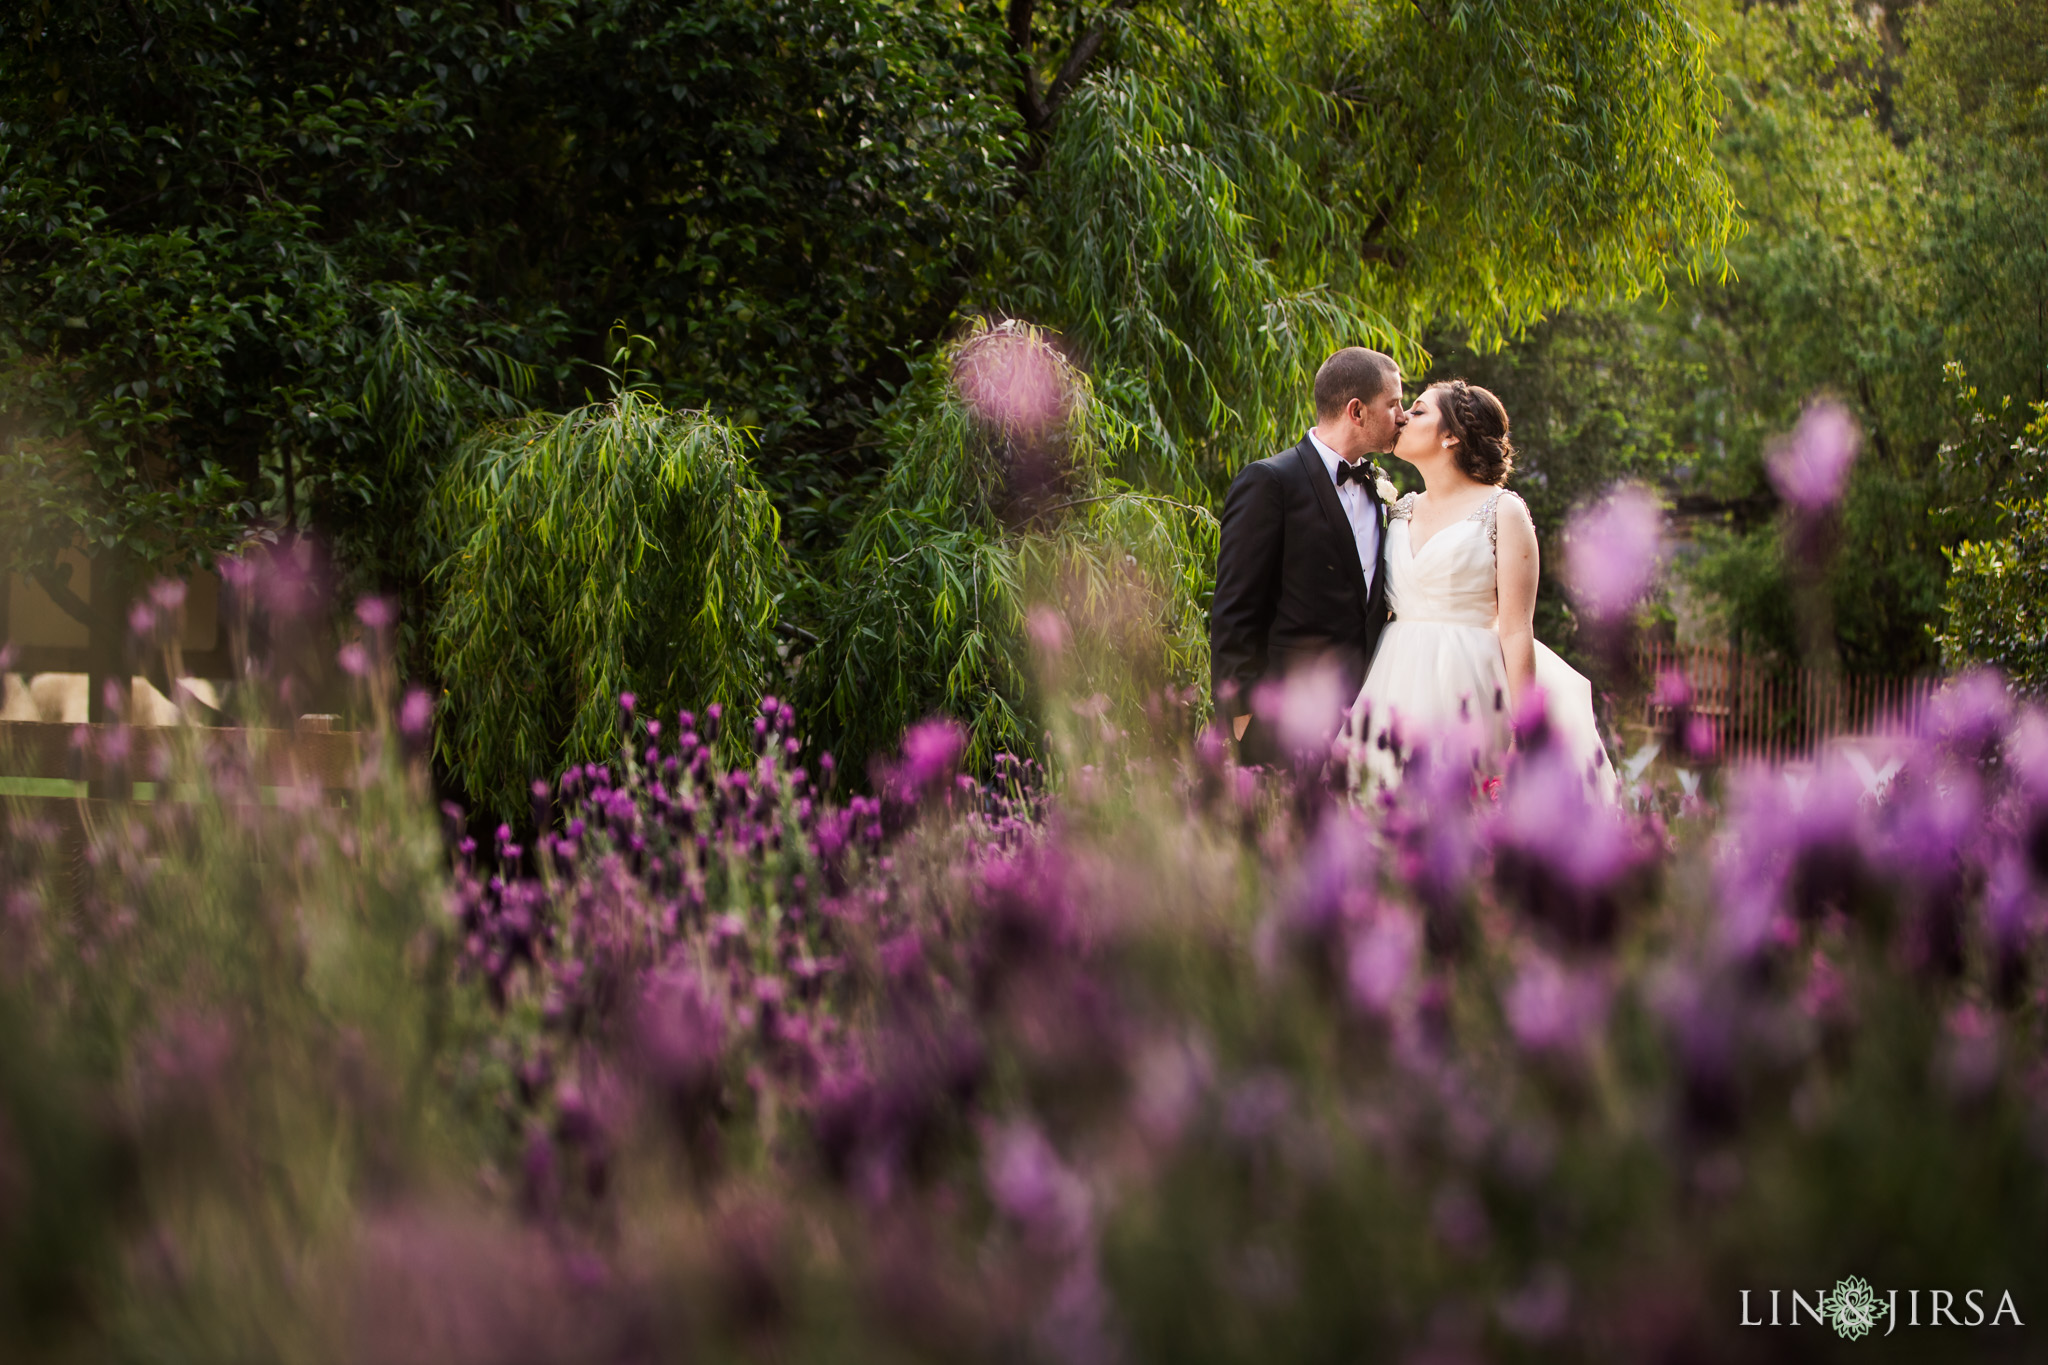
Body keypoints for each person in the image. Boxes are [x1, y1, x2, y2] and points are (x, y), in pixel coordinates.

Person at [1343, 379, 1616, 800]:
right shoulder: (1400, 509)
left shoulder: (1504, 511)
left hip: (1471, 687)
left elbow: (1516, 629)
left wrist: (1520, 734)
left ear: (1450, 435)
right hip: (1394, 683)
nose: (1402, 418)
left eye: (1417, 411)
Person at [1210, 347, 1407, 766]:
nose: (1403, 416)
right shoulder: (1270, 482)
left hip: (1362, 722)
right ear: (1357, 411)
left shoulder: (1377, 487)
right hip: (1279, 723)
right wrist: (1242, 720)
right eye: (1393, 404)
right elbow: (1234, 611)